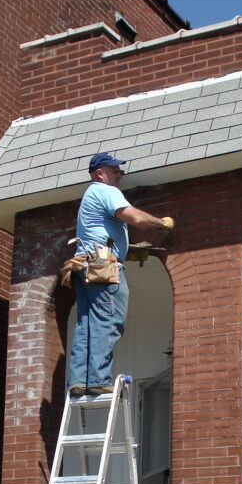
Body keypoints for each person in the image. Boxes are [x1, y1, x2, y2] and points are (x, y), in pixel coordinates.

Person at [68, 152, 174, 396]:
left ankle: (79, 381)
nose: (119, 175)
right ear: (99, 173)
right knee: (109, 319)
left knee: (87, 323)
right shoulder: (105, 191)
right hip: (103, 264)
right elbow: (135, 217)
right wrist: (161, 223)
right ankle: (96, 380)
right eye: (114, 170)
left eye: (119, 170)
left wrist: (126, 251)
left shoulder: (90, 195)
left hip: (86, 264)